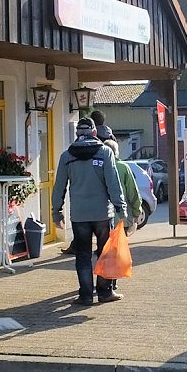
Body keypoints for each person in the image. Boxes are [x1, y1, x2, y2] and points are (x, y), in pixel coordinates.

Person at [52, 117, 127, 306]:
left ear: (77, 134)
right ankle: (104, 292)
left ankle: (85, 295)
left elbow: (59, 185)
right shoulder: (105, 153)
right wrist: (121, 208)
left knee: (83, 255)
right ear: (94, 133)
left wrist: (56, 212)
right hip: (102, 213)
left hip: (79, 215)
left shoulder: (67, 156)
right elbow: (113, 183)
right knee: (105, 254)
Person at [104, 138, 143, 235]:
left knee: (104, 247)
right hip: (122, 218)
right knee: (120, 246)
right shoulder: (123, 167)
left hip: (103, 218)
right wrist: (137, 212)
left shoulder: (98, 167)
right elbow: (132, 193)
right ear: (116, 151)